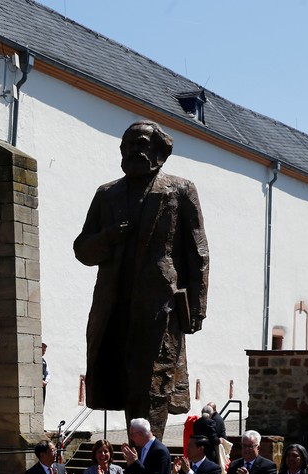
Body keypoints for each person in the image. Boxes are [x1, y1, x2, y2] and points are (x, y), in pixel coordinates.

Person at [73, 120, 210, 440]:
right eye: (130, 145)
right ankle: (140, 455)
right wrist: (108, 236)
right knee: (124, 379)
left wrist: (198, 308)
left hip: (161, 304)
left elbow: (198, 251)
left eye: (143, 144)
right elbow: (82, 249)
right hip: (115, 302)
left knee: (155, 381)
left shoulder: (180, 189)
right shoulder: (107, 194)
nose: (136, 150)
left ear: (160, 151)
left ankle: (148, 457)